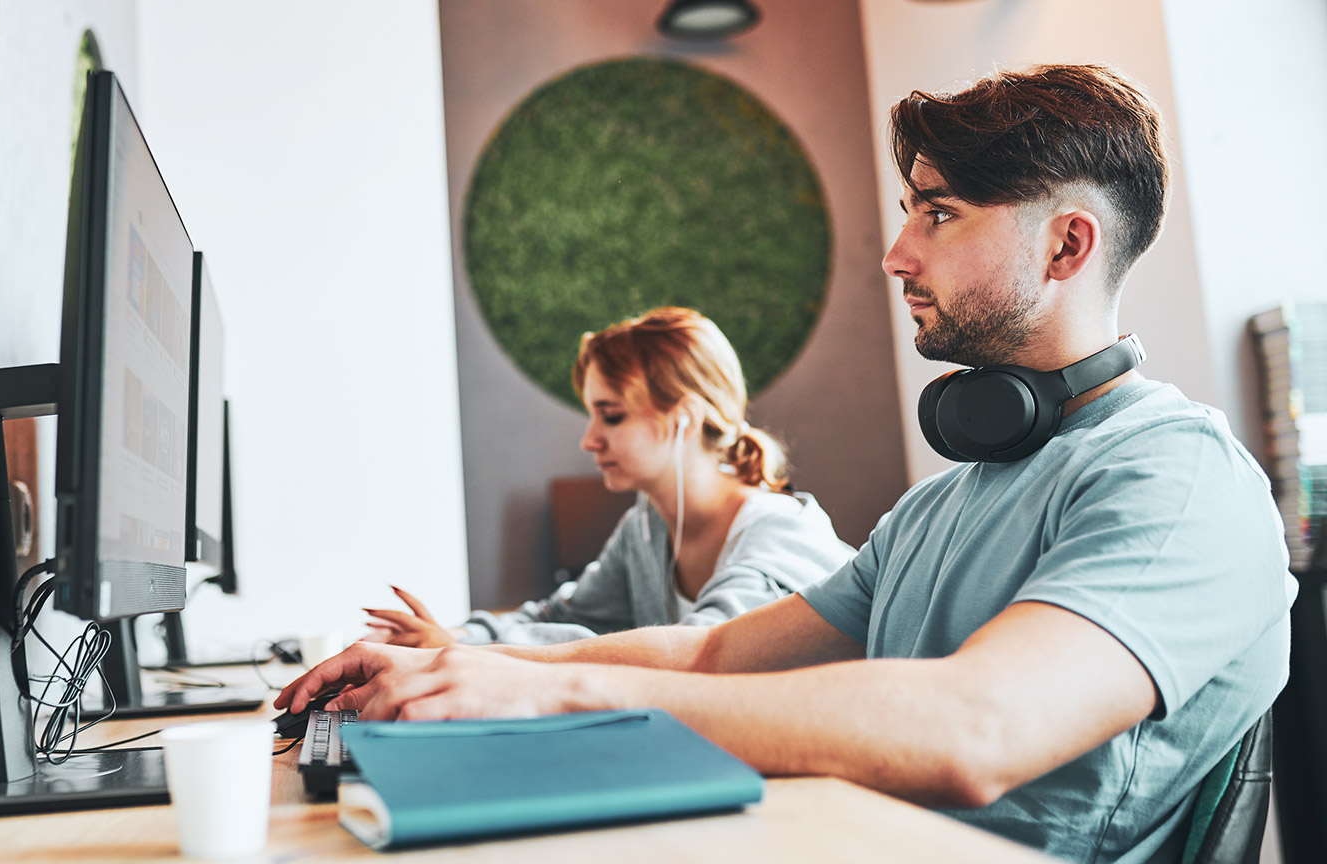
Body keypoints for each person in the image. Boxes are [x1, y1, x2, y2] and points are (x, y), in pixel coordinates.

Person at [279, 65, 1296, 864]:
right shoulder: (944, 504)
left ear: (1067, 247)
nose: (897, 253)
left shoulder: (1178, 481)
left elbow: (976, 729)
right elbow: (716, 656)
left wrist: (554, 698)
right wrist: (473, 668)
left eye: (938, 213)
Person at [363, 306, 855, 648]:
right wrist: (455, 639)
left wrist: (473, 657)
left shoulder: (778, 534)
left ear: (682, 418)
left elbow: (701, 654)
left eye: (612, 415)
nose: (589, 440)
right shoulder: (648, 526)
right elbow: (559, 618)